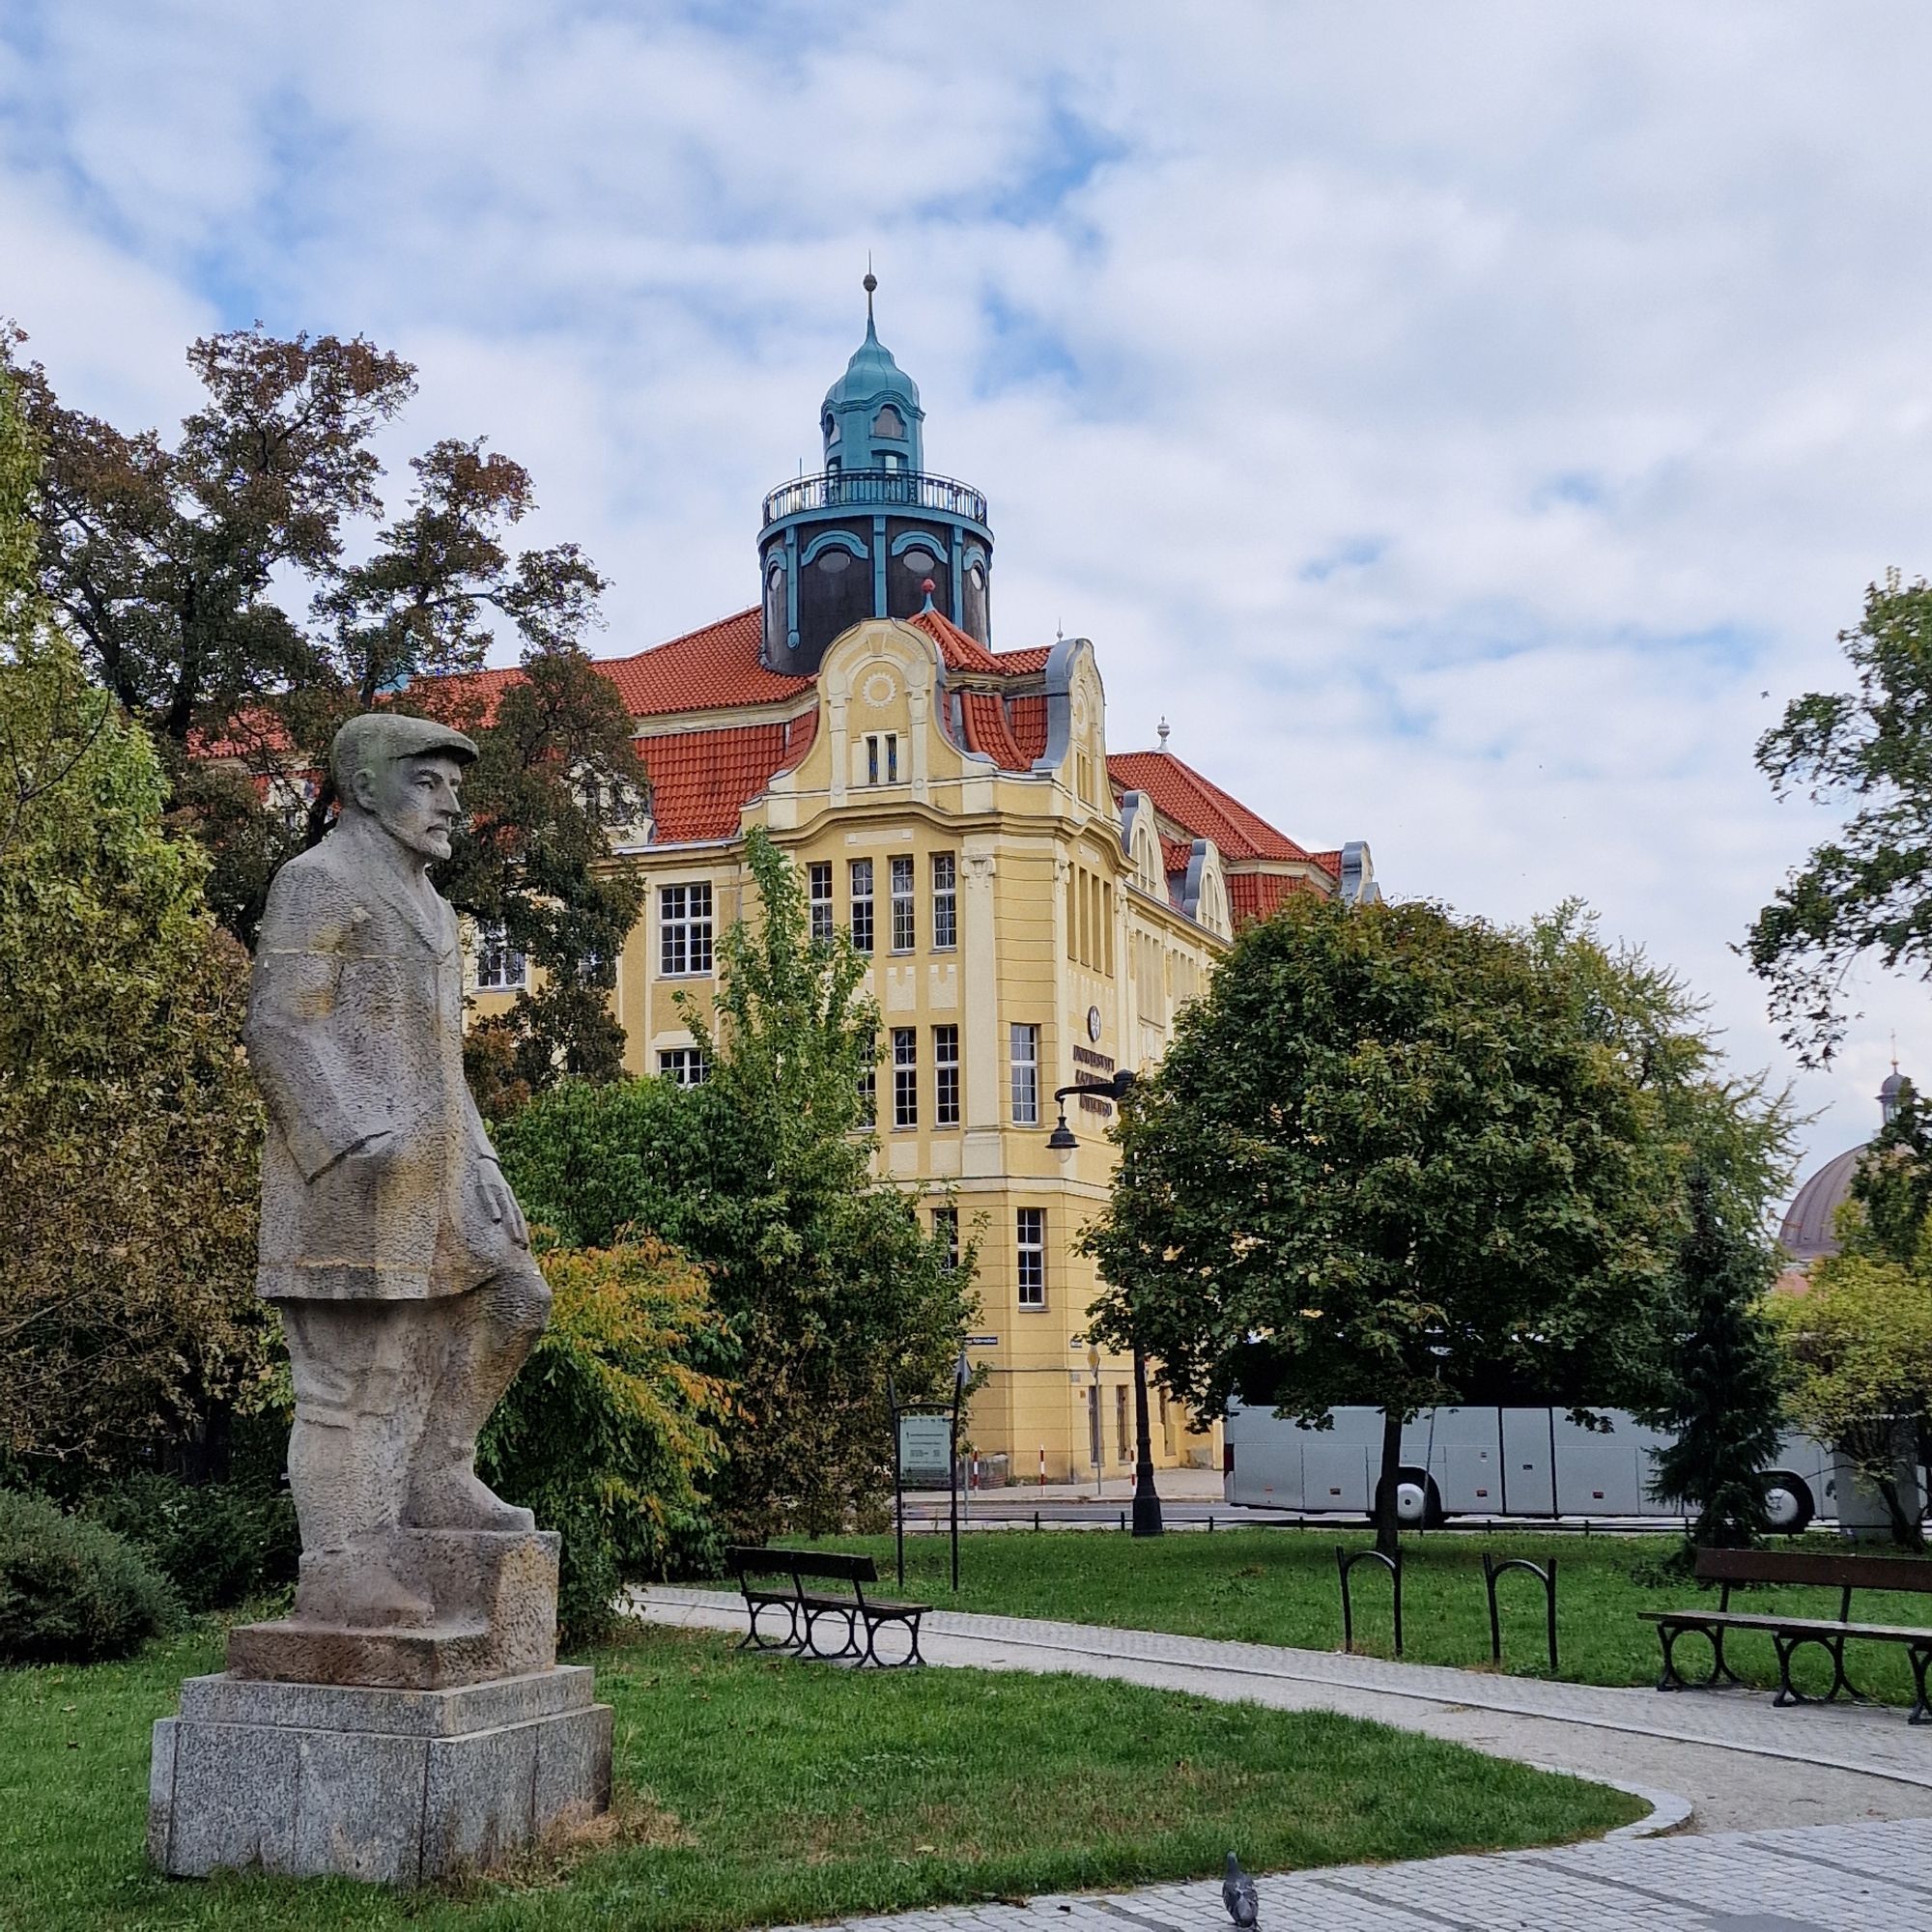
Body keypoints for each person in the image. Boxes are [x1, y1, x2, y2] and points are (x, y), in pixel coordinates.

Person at [244, 713, 550, 1629]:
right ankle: (339, 1561)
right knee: (355, 1374)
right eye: (428, 780)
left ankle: (440, 1472)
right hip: (348, 1183)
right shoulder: (317, 881)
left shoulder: (435, 909)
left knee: (516, 1300)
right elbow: (279, 1024)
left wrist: (485, 1160)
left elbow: (443, 1058)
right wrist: (346, 1142)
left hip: (443, 1173)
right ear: (366, 786)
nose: (451, 800)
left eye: (456, 783)